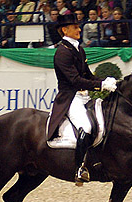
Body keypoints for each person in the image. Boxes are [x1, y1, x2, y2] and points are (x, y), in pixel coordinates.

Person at [48, 14, 117, 185]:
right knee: (86, 127)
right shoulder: (62, 52)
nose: (79, 29)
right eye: (75, 27)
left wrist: (104, 81)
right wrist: (100, 86)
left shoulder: (78, 49)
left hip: (84, 96)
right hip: (70, 98)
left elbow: (87, 75)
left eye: (78, 26)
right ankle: (79, 169)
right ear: (65, 30)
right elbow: (74, 80)